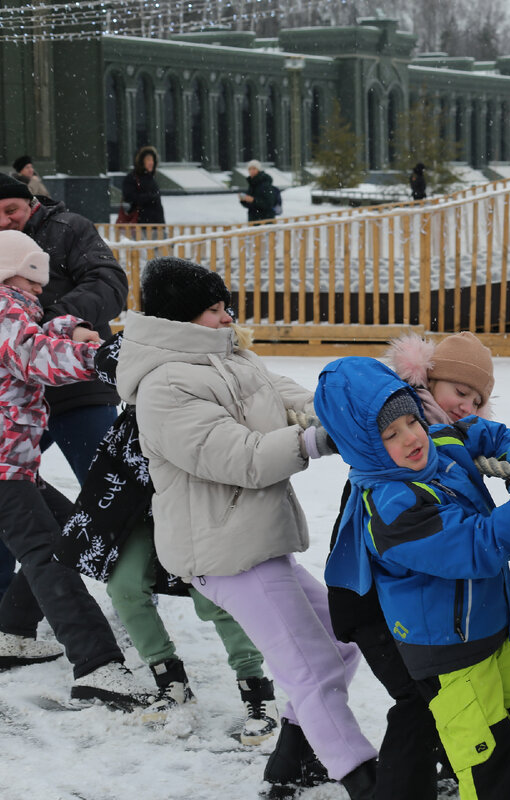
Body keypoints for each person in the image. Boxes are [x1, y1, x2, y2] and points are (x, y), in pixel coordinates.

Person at [114, 257, 377, 799]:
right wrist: (316, 442)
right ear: (182, 319)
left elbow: (293, 400)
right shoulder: (164, 387)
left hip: (259, 543)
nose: (227, 316)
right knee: (311, 669)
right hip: (224, 552)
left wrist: (356, 413)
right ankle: (365, 778)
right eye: (214, 309)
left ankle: (292, 759)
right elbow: (238, 457)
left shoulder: (233, 360)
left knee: (341, 640)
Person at [315, 356, 510, 800]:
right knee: (490, 774)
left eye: (412, 420)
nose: (412, 438)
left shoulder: (439, 440)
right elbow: (474, 547)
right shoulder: (390, 508)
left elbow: (486, 433)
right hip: (451, 658)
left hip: (497, 631)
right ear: (364, 445)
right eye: (390, 434)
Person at [56, 331, 278, 744]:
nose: (221, 317)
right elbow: (108, 363)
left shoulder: (220, 351)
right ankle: (169, 678)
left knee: (212, 595)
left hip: (194, 491)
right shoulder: (144, 341)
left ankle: (256, 688)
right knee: (124, 587)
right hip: (133, 494)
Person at [0, 229, 151, 707]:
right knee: (50, 555)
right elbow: (33, 354)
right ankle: (97, 666)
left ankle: (13, 632)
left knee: (70, 533)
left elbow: (40, 330)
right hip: (4, 467)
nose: (39, 290)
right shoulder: (4, 307)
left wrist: (69, 328)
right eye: (32, 279)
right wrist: (97, 355)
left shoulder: (15, 307)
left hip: (15, 462)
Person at [0, 171, 128, 646]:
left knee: (102, 498)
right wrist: (86, 352)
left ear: (29, 203)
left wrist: (64, 323)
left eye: (10, 211)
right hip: (22, 402)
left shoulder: (67, 228)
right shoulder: (7, 308)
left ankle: (134, 586)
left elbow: (108, 282)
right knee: (25, 520)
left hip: (72, 392)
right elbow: (25, 348)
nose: (4, 222)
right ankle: (22, 624)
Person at [387, 330, 495, 424]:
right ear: (432, 380)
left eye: (476, 403)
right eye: (461, 392)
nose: (468, 409)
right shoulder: (403, 418)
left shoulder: (472, 436)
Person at [120, 145, 166, 225]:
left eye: (153, 160)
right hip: (140, 224)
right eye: (148, 159)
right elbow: (128, 197)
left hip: (156, 225)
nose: (151, 162)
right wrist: (149, 197)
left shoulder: (151, 178)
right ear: (141, 161)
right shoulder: (132, 178)